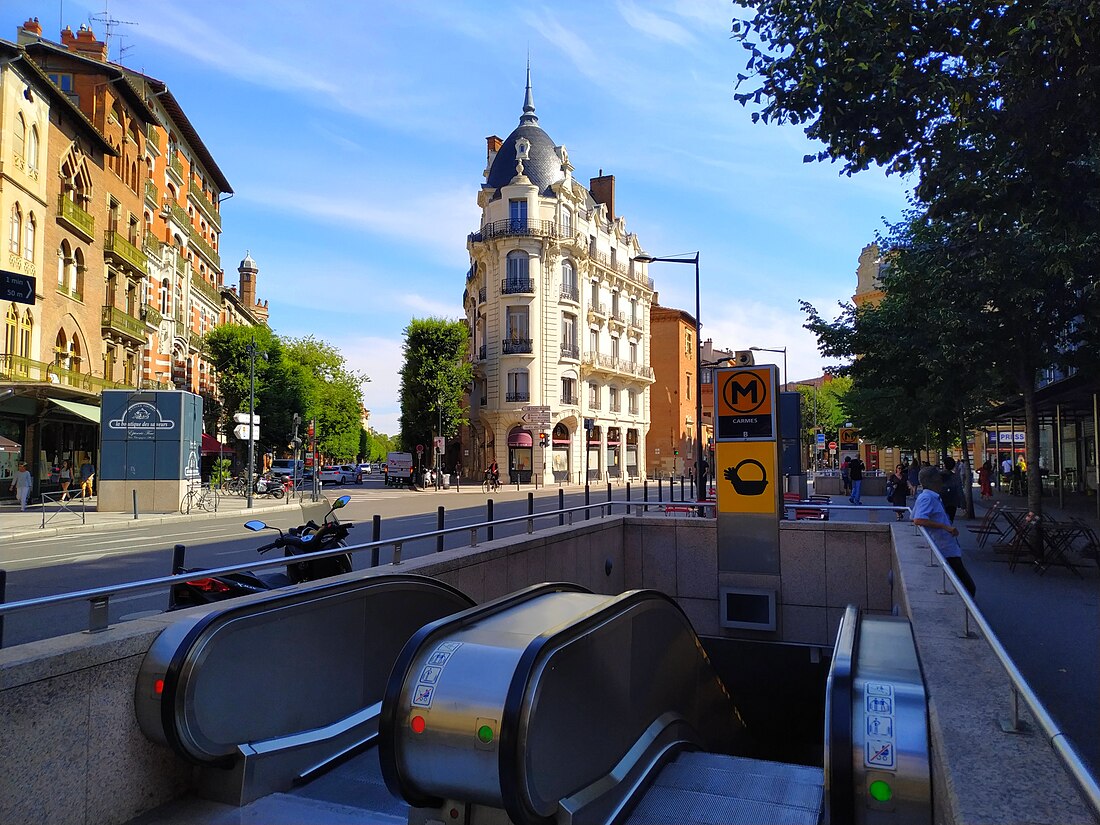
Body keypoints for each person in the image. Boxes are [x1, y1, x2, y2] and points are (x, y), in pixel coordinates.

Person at [913, 466, 976, 597]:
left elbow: (914, 516)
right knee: (968, 586)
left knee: (962, 583)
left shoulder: (930, 497)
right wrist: (945, 527)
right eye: (939, 478)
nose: (941, 481)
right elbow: (918, 519)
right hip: (944, 547)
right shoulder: (927, 498)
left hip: (946, 547)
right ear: (933, 480)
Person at [940, 456, 962, 522]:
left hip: (941, 500)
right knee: (950, 520)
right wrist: (961, 502)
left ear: (944, 465)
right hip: (952, 501)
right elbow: (959, 489)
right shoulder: (955, 477)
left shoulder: (939, 475)